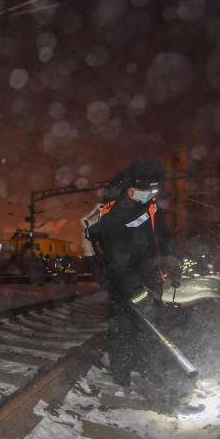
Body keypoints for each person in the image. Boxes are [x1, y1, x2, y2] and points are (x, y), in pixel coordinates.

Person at [85, 158, 179, 386]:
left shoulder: (150, 207)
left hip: (146, 278)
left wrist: (170, 264)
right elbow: (118, 260)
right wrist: (137, 292)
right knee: (124, 329)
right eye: (150, 190)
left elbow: (160, 238)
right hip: (123, 283)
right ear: (131, 189)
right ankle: (125, 376)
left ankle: (147, 372)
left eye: (156, 190)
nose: (153, 194)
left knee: (146, 329)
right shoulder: (115, 214)